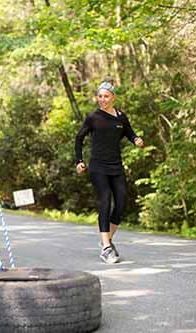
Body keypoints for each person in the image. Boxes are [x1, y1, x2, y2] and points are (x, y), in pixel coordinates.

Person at [74, 80, 144, 264]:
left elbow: (130, 133)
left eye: (106, 96)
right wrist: (79, 161)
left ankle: (108, 240)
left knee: (120, 203)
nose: (102, 100)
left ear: (113, 97)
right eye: (100, 96)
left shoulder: (121, 117)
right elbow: (79, 138)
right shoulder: (93, 118)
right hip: (98, 167)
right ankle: (106, 248)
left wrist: (136, 139)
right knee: (105, 201)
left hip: (116, 166)